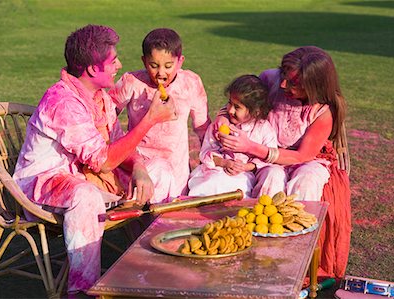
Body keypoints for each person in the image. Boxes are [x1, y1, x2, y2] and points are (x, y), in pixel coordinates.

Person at [13, 24, 177, 297]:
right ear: (92, 69)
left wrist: (138, 167)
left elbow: (116, 143)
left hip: (88, 176)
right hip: (43, 184)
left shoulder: (98, 96)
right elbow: (103, 162)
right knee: (85, 196)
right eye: (113, 61)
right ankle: (83, 290)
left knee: (158, 168)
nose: (119, 65)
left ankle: (153, 262)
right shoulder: (63, 102)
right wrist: (150, 119)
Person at [217, 46, 351, 278]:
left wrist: (251, 147)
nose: (282, 86)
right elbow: (240, 101)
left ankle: (296, 258)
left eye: (293, 84)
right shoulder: (270, 78)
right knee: (271, 179)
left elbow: (301, 157)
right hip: (267, 153)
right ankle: (256, 250)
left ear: (314, 87)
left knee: (305, 182)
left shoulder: (323, 112)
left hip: (307, 159)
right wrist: (222, 119)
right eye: (283, 77)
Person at [109, 28, 211, 202]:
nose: (161, 73)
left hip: (177, 169)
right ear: (144, 61)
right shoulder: (131, 82)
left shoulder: (191, 83)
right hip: (142, 167)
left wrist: (207, 164)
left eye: (168, 66)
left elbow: (203, 129)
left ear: (180, 61)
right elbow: (106, 117)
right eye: (154, 65)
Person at [188, 75, 277, 197]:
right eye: (230, 103)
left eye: (237, 107)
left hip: (241, 176)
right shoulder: (220, 124)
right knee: (209, 184)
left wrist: (244, 167)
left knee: (234, 190)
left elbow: (267, 159)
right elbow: (206, 152)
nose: (230, 110)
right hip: (212, 172)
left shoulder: (264, 129)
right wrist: (224, 162)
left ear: (256, 111)